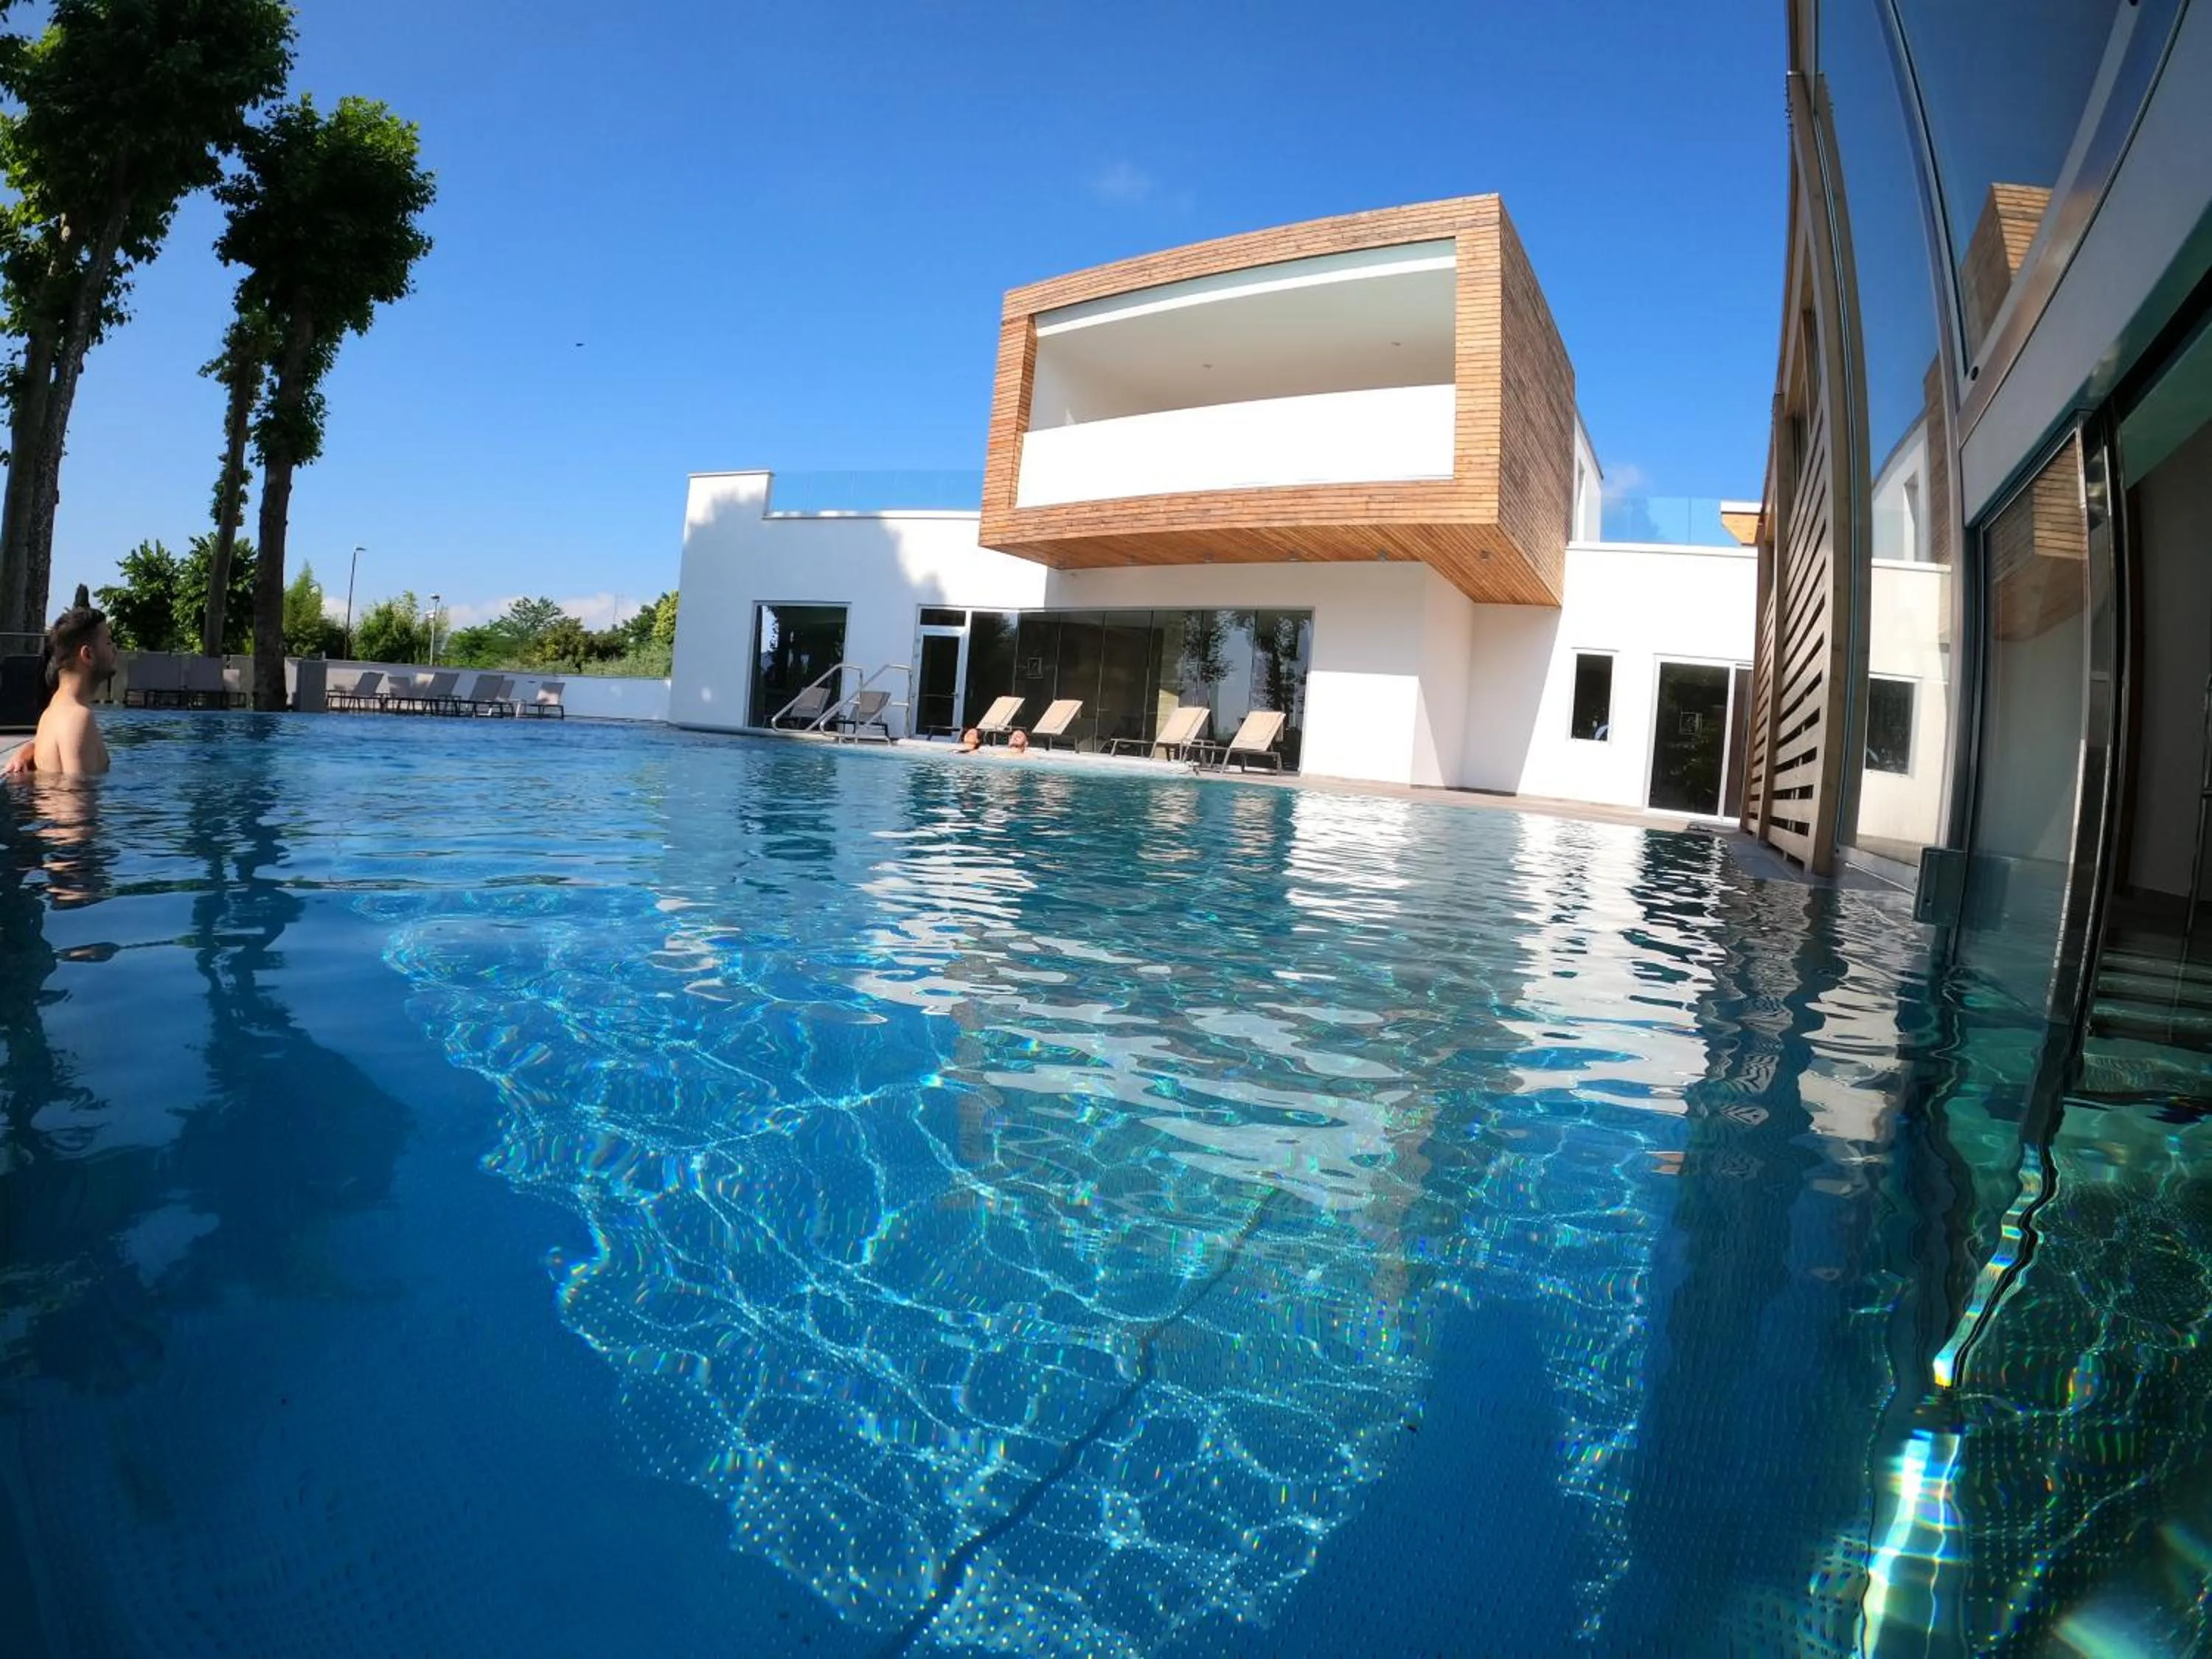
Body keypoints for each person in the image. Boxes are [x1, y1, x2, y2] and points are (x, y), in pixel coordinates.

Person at [2, 604, 116, 778]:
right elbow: (74, 802)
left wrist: (28, 750)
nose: (114, 649)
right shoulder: (77, 718)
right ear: (88, 655)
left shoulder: (55, 713)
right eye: (108, 642)